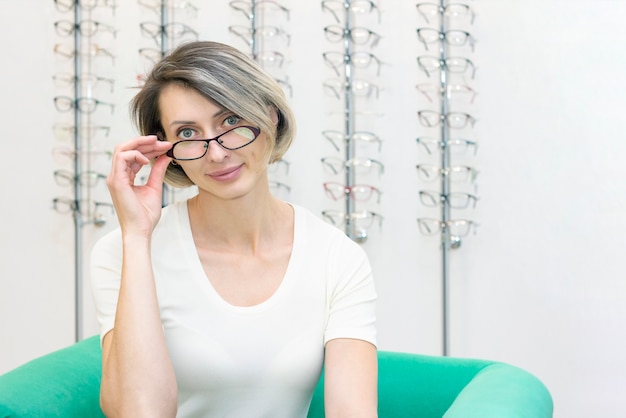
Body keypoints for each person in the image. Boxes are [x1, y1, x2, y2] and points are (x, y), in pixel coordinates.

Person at [90, 40, 378, 418]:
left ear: (270, 116)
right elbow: (138, 412)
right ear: (165, 150)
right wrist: (137, 237)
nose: (217, 153)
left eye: (230, 121)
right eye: (189, 133)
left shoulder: (337, 258)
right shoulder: (123, 251)